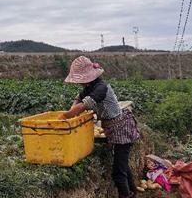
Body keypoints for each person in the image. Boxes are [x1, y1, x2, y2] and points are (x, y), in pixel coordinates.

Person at [58, 56, 140, 198]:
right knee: (123, 165)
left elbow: (83, 105)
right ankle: (133, 192)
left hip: (122, 130)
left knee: (118, 173)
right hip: (114, 128)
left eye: (81, 80)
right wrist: (71, 111)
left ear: (88, 77)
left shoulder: (100, 88)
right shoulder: (89, 87)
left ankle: (127, 195)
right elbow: (78, 99)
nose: (80, 84)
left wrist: (65, 117)